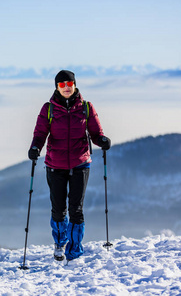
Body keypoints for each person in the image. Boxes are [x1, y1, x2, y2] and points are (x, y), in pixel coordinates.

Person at [28, 70, 111, 262]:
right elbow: (40, 133)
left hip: (80, 164)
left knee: (76, 209)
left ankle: (74, 251)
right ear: (57, 87)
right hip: (55, 165)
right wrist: (34, 147)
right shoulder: (48, 109)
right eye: (62, 85)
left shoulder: (86, 107)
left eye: (69, 84)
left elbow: (96, 132)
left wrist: (103, 140)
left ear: (75, 85)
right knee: (58, 209)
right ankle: (60, 242)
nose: (66, 88)